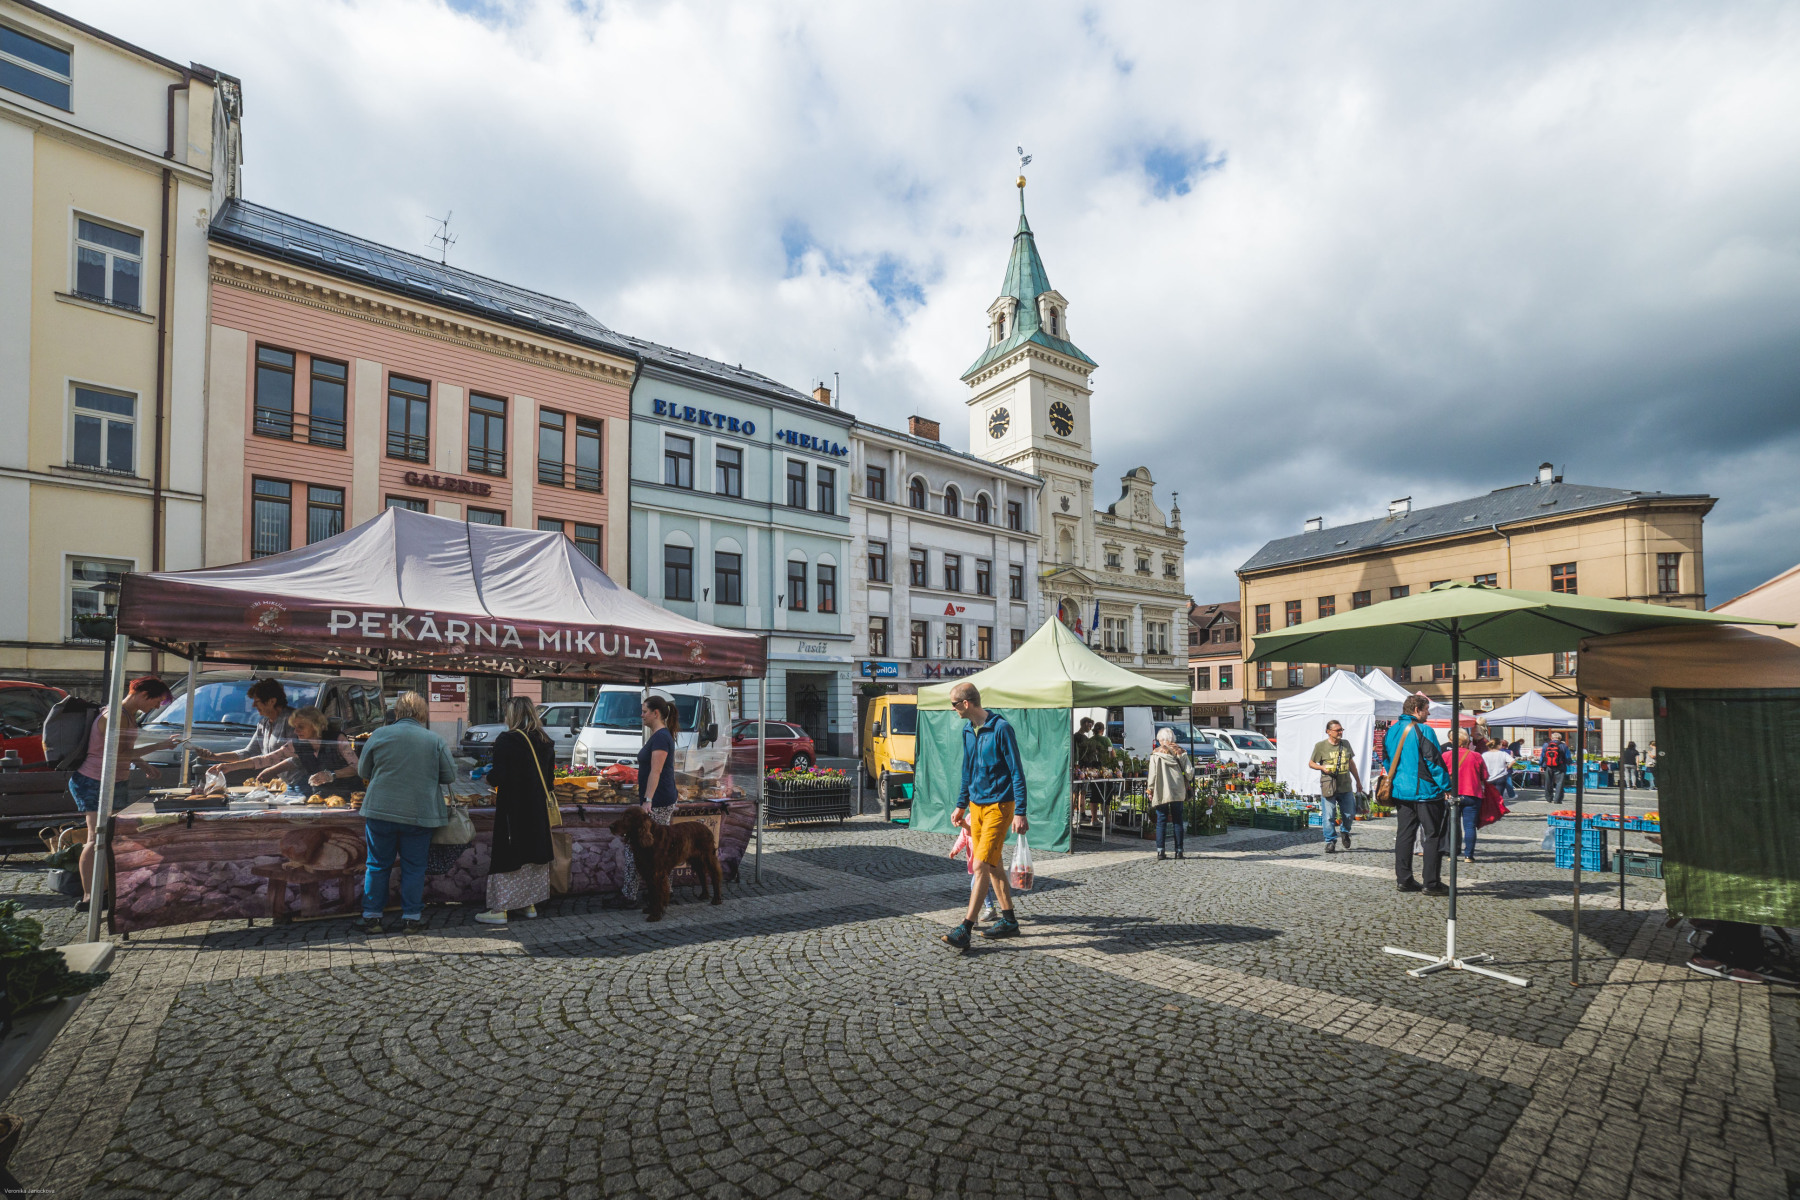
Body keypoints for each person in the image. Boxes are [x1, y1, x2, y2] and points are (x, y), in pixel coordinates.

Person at [354, 691, 455, 934]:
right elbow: (450, 775)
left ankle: (372, 917)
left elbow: (362, 771)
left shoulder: (379, 734)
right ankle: (411, 918)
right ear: (422, 714)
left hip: (380, 809)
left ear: (397, 712)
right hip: (419, 813)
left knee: (377, 864)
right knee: (414, 866)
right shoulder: (434, 740)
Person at [70, 677, 175, 912]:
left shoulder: (128, 715)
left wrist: (144, 765)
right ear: (144, 694)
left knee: (110, 838)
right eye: (156, 702)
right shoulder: (114, 716)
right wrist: (159, 746)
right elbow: (117, 753)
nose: (156, 708)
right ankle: (88, 897)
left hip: (115, 781)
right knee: (95, 837)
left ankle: (105, 890)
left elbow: (124, 750)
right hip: (94, 781)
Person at [942, 682, 1029, 948]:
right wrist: (961, 805)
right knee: (992, 865)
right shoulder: (968, 730)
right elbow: (967, 770)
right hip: (977, 807)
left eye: (954, 704)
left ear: (966, 703)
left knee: (980, 865)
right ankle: (1010, 921)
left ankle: (965, 929)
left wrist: (1021, 811)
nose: (953, 709)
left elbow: (1016, 771)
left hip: (1000, 806)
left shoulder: (1001, 728)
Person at [475, 697, 556, 926]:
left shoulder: (507, 739)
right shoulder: (545, 740)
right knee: (532, 855)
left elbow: (498, 776)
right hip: (538, 811)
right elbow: (549, 782)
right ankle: (528, 904)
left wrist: (486, 775)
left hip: (513, 810)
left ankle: (500, 909)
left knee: (510, 855)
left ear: (513, 715)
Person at [1382, 694, 1450, 895]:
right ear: (1417, 709)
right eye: (1426, 709)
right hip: (1425, 792)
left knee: (1404, 835)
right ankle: (1431, 882)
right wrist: (1447, 787)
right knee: (1433, 836)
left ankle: (1404, 880)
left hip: (1401, 792)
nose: (1428, 713)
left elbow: (1386, 759)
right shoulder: (1424, 730)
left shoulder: (1391, 731)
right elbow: (1434, 762)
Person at [617, 695, 681, 906]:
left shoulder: (662, 737)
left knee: (647, 849)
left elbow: (656, 771)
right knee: (659, 848)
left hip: (658, 800)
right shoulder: (658, 735)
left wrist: (647, 800)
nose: (641, 715)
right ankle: (663, 891)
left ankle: (632, 895)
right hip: (658, 798)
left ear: (656, 713)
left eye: (644, 711)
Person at [193, 677, 300, 789]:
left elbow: (295, 757)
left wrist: (271, 770)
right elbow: (249, 752)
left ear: (272, 701)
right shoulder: (263, 724)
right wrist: (214, 756)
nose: (253, 705)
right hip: (283, 785)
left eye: (257, 701)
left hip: (299, 783)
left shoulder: (293, 721)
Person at [255, 706, 359, 800]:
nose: (296, 731)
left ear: (315, 725)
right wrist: (269, 770)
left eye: (301, 726)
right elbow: (268, 759)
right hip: (321, 798)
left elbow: (356, 768)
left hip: (349, 796)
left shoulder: (336, 739)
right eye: (295, 727)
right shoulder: (299, 743)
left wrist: (331, 775)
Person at [1308, 720, 1363, 854]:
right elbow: (1311, 763)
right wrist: (1322, 767)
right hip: (1329, 786)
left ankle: (1344, 832)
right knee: (1328, 816)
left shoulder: (1346, 744)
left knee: (1349, 814)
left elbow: (1351, 763)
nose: (1340, 732)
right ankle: (1330, 841)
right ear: (1328, 731)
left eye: (1341, 729)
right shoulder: (1320, 746)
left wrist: (1358, 781)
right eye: (1337, 730)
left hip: (1346, 786)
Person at [1451, 732, 1495, 863]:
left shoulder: (1446, 755)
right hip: (1472, 794)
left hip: (1453, 794)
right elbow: (1485, 776)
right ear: (1467, 743)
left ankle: (1451, 853)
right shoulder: (1476, 756)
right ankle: (1468, 855)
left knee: (1453, 825)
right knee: (1470, 826)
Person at [1147, 728, 1188, 861]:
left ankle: (1160, 852)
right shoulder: (1181, 751)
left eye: (1159, 740)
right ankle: (1179, 851)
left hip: (1161, 788)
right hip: (1177, 788)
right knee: (1178, 819)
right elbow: (1190, 772)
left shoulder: (1155, 753)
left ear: (1162, 740)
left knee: (1161, 820)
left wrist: (1150, 789)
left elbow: (1152, 774)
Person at [1482, 736, 1516, 801]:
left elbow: (1481, 764)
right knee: (1499, 797)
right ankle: (1499, 809)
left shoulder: (1485, 754)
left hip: (1488, 777)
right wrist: (1507, 767)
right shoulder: (1503, 754)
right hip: (1501, 777)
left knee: (1489, 797)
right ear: (1498, 745)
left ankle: (1491, 809)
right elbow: (1513, 761)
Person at [1540, 733, 1570, 805]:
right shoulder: (1563, 746)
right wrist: (1568, 763)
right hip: (1560, 766)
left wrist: (1541, 765)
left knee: (1548, 782)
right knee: (1559, 783)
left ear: (1552, 738)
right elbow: (1568, 757)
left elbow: (1542, 756)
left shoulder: (1546, 745)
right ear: (1560, 738)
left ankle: (1549, 798)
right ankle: (1557, 799)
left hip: (1548, 766)